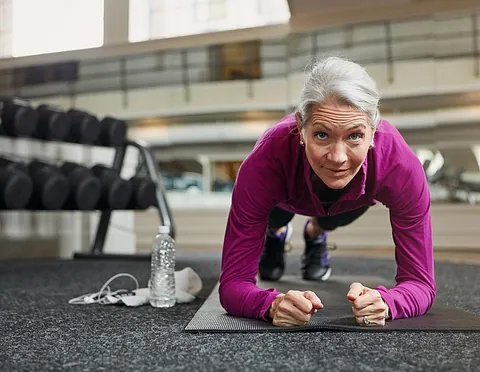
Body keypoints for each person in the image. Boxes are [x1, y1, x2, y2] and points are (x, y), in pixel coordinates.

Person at [218, 56, 436, 327]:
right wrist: (271, 305)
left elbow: (421, 283)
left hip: (352, 202)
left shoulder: (400, 166)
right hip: (283, 201)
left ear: (373, 131)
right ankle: (275, 234)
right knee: (274, 221)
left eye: (355, 136)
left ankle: (315, 232)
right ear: (301, 128)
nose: (338, 158)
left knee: (332, 217)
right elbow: (232, 286)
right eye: (322, 135)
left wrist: (388, 302)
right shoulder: (265, 162)